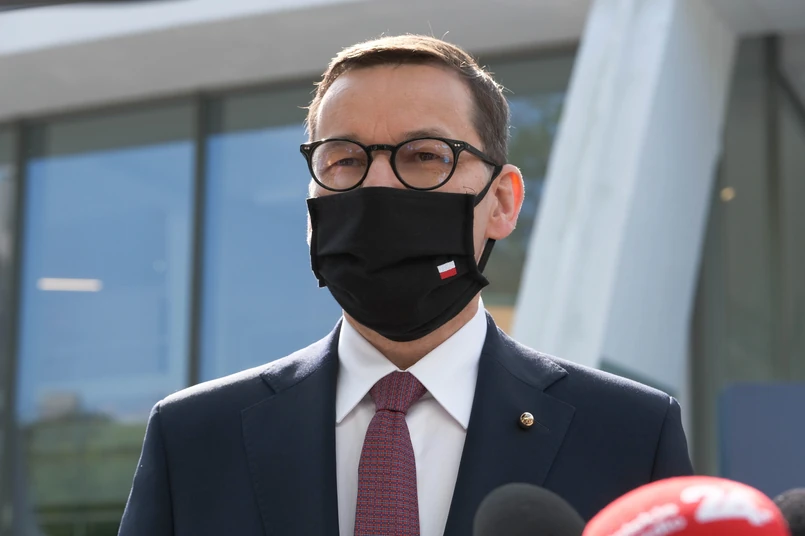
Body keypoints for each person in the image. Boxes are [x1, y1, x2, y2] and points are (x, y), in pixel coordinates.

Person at [118, 34, 693, 536]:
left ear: (501, 202)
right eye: (344, 160)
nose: (378, 186)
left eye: (423, 156)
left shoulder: (628, 433)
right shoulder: (193, 437)